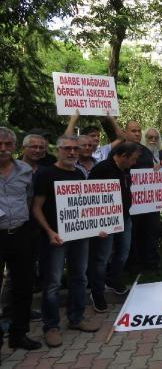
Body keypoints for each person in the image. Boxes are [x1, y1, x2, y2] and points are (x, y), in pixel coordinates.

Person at [32, 135, 100, 348]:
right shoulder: (46, 173)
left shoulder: (79, 173)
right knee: (52, 283)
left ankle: (76, 318)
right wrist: (50, 232)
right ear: (58, 150)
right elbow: (36, 208)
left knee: (79, 277)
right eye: (67, 149)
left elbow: (84, 205)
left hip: (79, 236)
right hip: (55, 238)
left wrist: (97, 227)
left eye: (75, 149)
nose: (72, 152)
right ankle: (51, 327)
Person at [0, 128, 42, 351]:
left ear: (14, 147)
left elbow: (28, 200)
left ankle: (19, 335)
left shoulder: (25, 170)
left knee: (24, 287)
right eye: (0, 144)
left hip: (20, 234)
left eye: (8, 144)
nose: (3, 149)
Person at [88, 142, 140, 312]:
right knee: (101, 257)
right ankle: (97, 293)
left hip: (124, 217)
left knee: (124, 252)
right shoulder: (102, 169)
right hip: (105, 220)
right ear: (123, 156)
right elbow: (90, 195)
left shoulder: (126, 169)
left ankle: (113, 279)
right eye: (132, 159)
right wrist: (97, 222)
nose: (134, 163)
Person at [125, 120, 162, 271]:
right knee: (134, 232)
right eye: (133, 131)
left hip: (149, 201)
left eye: (139, 131)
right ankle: (134, 264)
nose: (137, 133)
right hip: (131, 201)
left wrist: (158, 170)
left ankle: (151, 262)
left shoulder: (145, 150)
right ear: (125, 132)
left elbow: (151, 170)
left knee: (151, 230)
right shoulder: (121, 149)